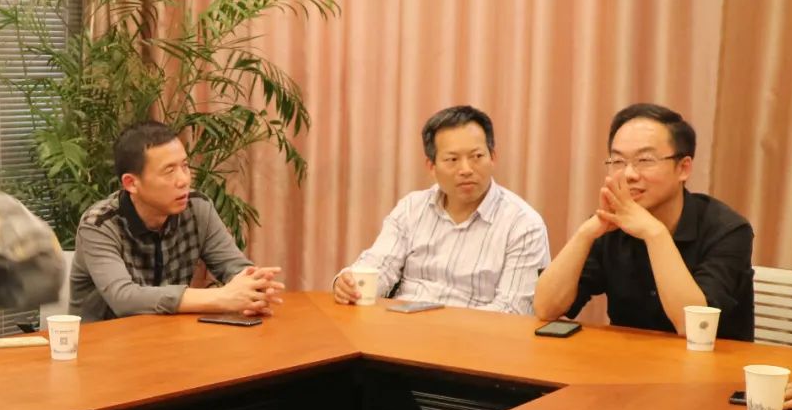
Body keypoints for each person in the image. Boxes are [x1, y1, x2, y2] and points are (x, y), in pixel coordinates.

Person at [533, 103, 754, 340]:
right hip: (628, 358)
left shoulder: (728, 231)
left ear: (683, 168)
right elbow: (546, 309)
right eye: (618, 161)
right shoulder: (612, 226)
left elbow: (693, 327)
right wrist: (586, 233)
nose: (629, 174)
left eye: (645, 160)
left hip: (711, 359)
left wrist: (654, 234)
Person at [332, 106, 549, 313]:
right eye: (452, 159)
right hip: (401, 327)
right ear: (431, 167)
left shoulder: (523, 224)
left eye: (476, 157)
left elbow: (513, 310)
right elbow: (379, 266)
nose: (466, 169)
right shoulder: (411, 209)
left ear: (493, 157)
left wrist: (440, 327)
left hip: (474, 335)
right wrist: (348, 284)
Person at [69, 121, 284, 320]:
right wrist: (222, 297)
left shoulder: (197, 207)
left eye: (185, 166)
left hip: (171, 337)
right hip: (104, 342)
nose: (183, 180)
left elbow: (235, 268)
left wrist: (254, 288)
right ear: (131, 183)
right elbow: (124, 298)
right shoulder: (99, 225)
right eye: (169, 171)